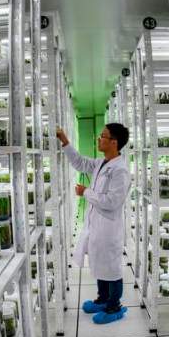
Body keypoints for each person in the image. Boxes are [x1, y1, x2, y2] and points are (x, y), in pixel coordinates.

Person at [56, 123, 131, 324]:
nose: (99, 139)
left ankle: (115, 306)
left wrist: (85, 192)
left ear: (114, 142)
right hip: (97, 226)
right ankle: (103, 299)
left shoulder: (120, 171)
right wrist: (64, 141)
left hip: (109, 228)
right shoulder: (102, 163)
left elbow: (112, 202)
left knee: (112, 269)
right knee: (99, 263)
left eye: (103, 136)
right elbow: (80, 163)